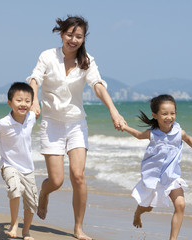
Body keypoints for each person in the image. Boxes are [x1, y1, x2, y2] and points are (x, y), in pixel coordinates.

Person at [26, 16, 126, 240]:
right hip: (51, 124)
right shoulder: (47, 56)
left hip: (76, 124)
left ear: (83, 39)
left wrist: (114, 111)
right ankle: (44, 193)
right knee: (56, 180)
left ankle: (78, 228)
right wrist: (34, 100)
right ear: (61, 34)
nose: (73, 39)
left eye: (78, 36)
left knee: (78, 176)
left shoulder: (87, 61)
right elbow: (34, 79)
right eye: (69, 35)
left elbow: (98, 86)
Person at [121, 94, 192, 240]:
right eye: (164, 114)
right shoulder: (152, 134)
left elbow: (189, 140)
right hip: (154, 177)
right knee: (148, 207)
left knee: (180, 204)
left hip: (172, 176)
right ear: (155, 115)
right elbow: (138, 135)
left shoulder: (178, 132)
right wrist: (124, 127)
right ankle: (138, 213)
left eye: (172, 113)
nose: (169, 117)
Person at [0, 82, 38, 240]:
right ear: (10, 103)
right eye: (19, 100)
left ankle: (26, 231)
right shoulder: (3, 122)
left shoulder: (31, 117)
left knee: (32, 203)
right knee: (14, 189)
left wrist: (37, 81)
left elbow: (37, 109)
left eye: (27, 100)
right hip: (9, 165)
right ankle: (14, 224)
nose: (23, 104)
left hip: (28, 168)